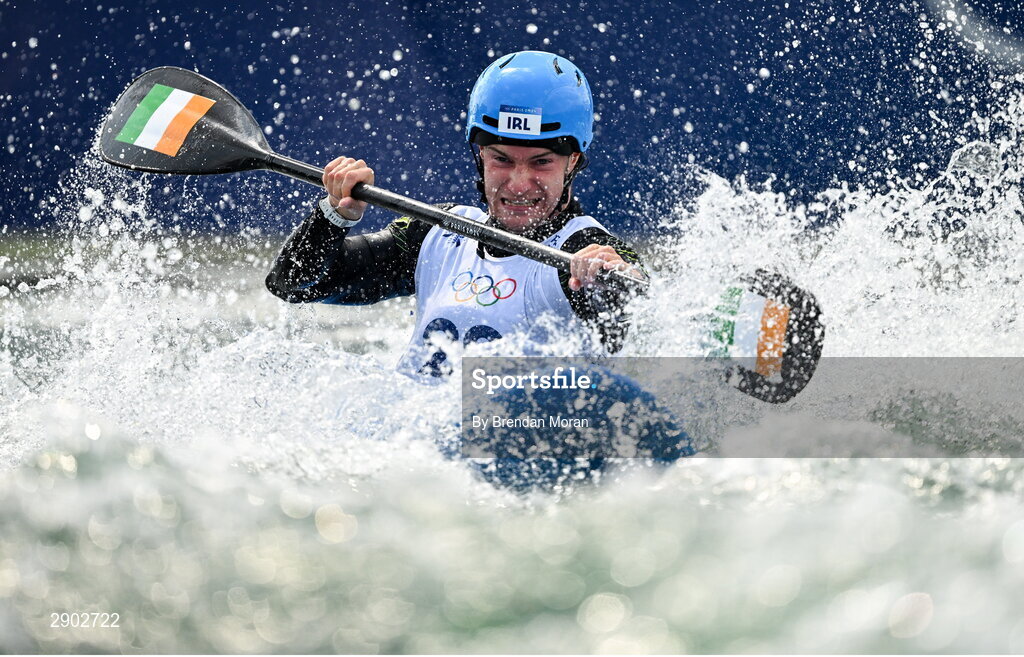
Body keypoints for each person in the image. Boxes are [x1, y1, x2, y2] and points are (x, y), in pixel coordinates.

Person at [266, 50, 648, 377]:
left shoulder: (585, 249)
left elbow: (638, 310)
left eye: (540, 163)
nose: (517, 183)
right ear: (479, 155)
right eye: (501, 159)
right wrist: (333, 217)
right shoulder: (438, 233)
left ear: (573, 161)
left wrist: (612, 279)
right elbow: (293, 285)